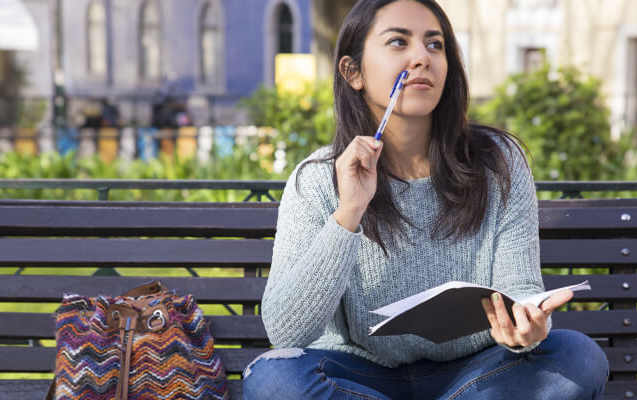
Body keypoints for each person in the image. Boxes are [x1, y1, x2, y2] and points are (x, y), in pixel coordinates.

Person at [243, 1, 609, 398]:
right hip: (357, 375)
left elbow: (519, 288)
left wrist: (526, 331)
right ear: (353, 72)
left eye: (435, 45)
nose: (422, 58)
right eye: (399, 42)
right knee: (273, 380)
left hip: (476, 374)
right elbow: (286, 332)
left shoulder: (498, 163)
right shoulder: (317, 178)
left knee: (577, 357)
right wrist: (348, 211)